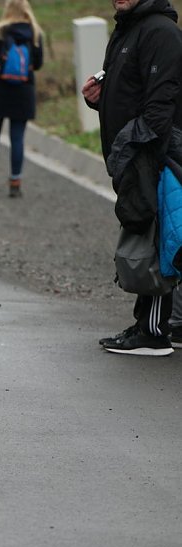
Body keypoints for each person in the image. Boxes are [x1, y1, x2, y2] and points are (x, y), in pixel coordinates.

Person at [82, 0, 182, 356]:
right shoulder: (127, 29)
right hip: (133, 153)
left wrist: (132, 151)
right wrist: (100, 98)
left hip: (152, 154)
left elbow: (160, 107)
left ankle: (152, 332)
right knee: (166, 238)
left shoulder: (160, 31)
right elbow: (130, 93)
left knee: (152, 240)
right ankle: (172, 325)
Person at [0, 0, 43, 198]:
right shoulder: (35, 33)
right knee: (18, 137)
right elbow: (38, 64)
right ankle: (15, 182)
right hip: (24, 91)